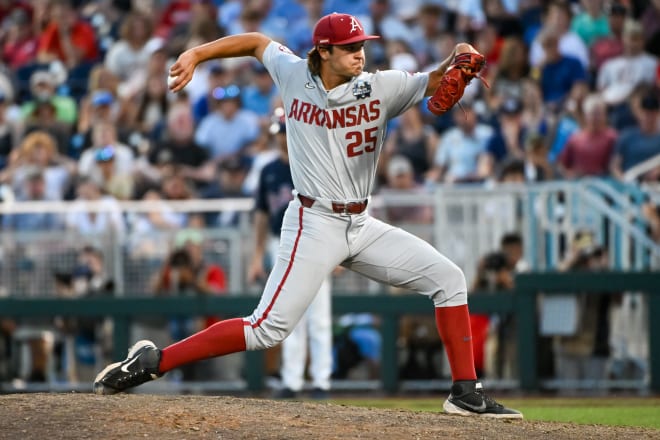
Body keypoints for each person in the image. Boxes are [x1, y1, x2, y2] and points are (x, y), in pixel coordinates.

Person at [94, 12, 522, 419]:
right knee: (266, 330)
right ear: (323, 51)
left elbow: (435, 82)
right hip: (313, 222)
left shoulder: (381, 86)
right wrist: (197, 54)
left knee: (449, 280)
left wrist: (459, 56)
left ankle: (466, 393)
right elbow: (256, 42)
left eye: (362, 45)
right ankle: (154, 361)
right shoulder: (294, 73)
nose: (360, 53)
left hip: (361, 222)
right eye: (350, 47)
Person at [247, 115, 333, 399]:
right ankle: (292, 380)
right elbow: (261, 214)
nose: (282, 137)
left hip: (315, 243)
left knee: (318, 316)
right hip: (281, 243)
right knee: (289, 314)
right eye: (279, 132)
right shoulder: (268, 169)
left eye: (285, 131)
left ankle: (321, 381)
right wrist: (257, 255)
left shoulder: (311, 162)